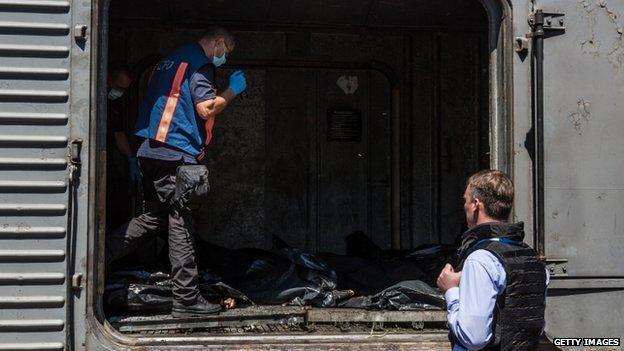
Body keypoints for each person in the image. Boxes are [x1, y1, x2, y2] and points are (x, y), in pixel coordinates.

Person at [105, 27, 247, 317]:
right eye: (226, 52)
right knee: (181, 221)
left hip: (151, 150)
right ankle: (186, 298)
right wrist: (233, 90)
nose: (224, 58)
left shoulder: (170, 60)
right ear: (219, 42)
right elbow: (206, 108)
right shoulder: (200, 64)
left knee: (153, 218)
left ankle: (95, 259)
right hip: (175, 152)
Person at [436, 170, 549, 350]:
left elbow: (474, 338)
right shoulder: (532, 258)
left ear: (475, 204)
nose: (463, 206)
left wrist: (451, 290)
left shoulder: (480, 260)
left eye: (465, 200)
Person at [106, 63, 141, 230]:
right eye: (119, 87)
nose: (120, 92)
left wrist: (131, 158)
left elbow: (118, 134)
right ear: (108, 79)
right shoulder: (95, 95)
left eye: (124, 89)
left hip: (108, 157)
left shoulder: (115, 102)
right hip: (96, 154)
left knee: (118, 195)